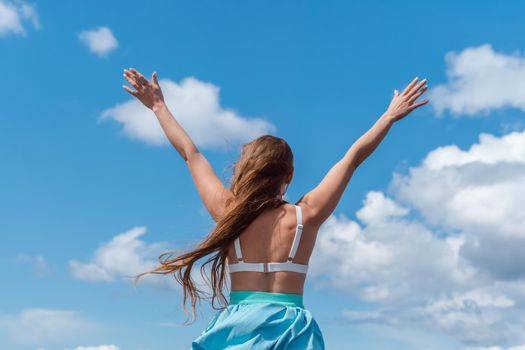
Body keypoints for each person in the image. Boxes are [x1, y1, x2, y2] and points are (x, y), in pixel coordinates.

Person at [123, 68, 428, 349]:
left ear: (244, 171)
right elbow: (353, 158)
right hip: (293, 331)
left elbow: (191, 154)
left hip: (236, 330)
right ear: (289, 176)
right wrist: (389, 116)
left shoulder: (230, 213)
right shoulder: (306, 215)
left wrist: (158, 106)